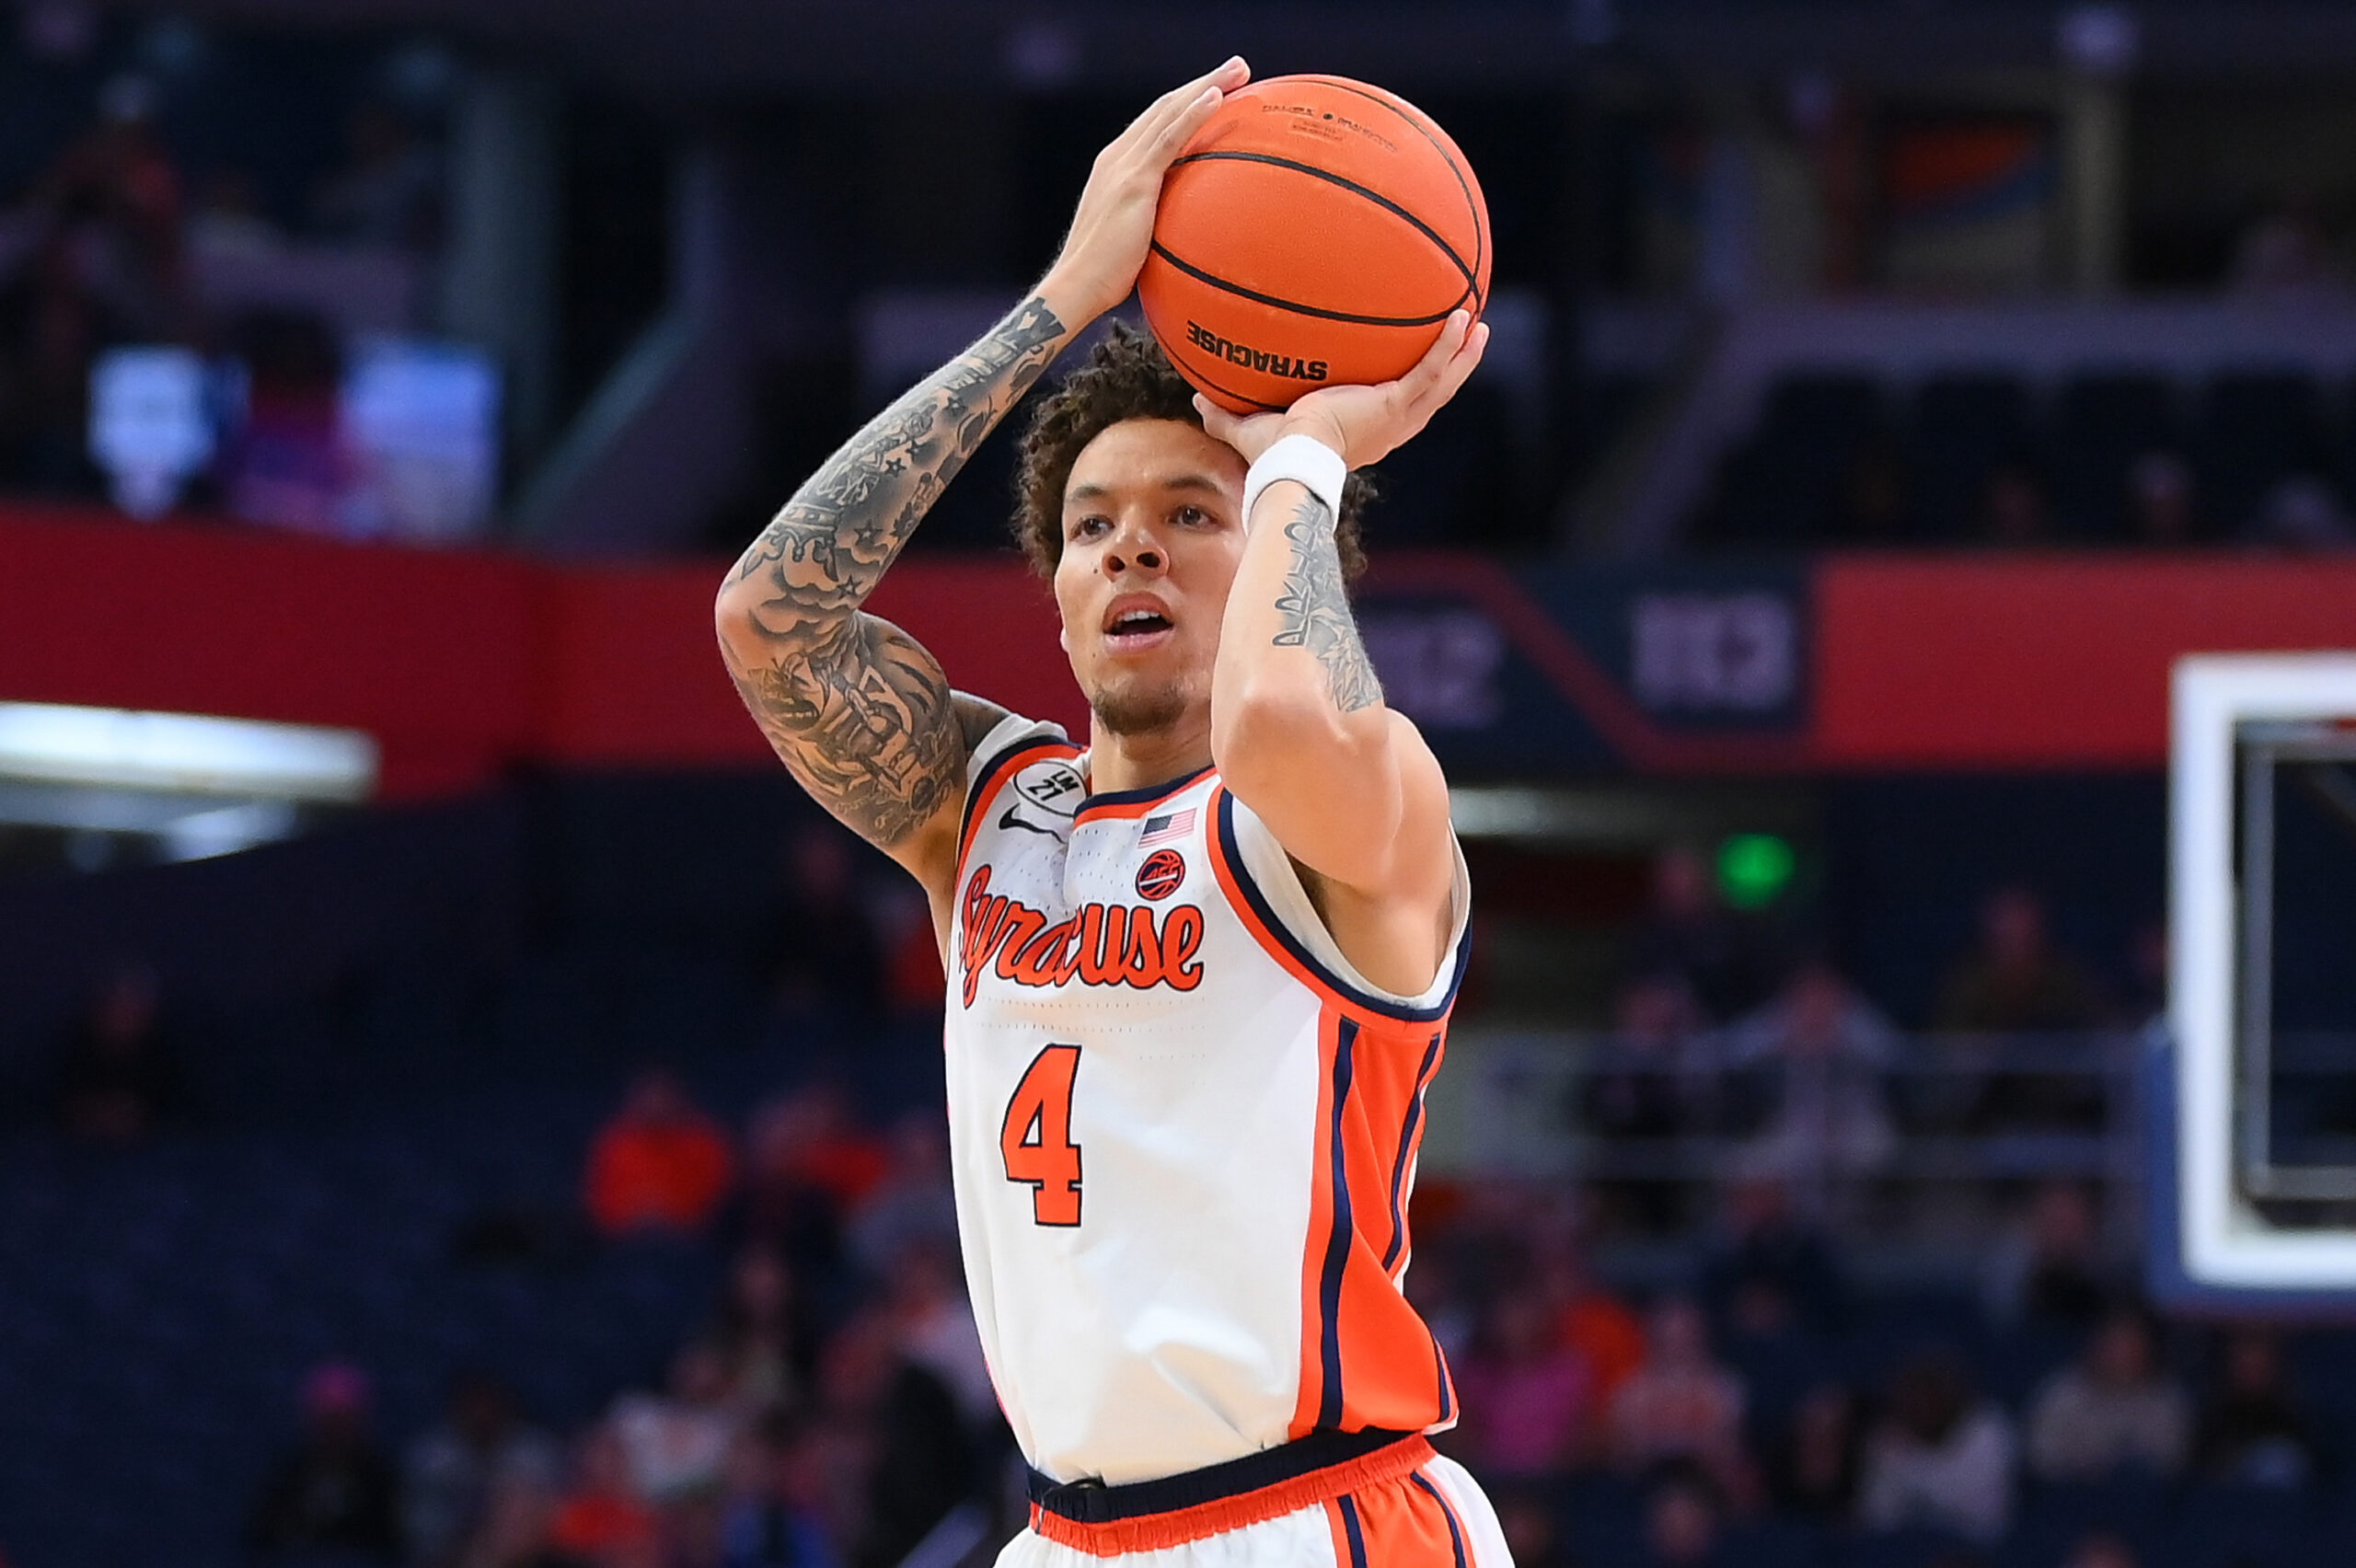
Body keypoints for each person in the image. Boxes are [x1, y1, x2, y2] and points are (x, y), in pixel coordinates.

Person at [711, 56, 1508, 1568]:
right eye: (1093, 527)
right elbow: (769, 614)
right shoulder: (984, 800)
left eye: (1187, 516)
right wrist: (1064, 302)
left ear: (1276, 546)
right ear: (1060, 597)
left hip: (1311, 1513)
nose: (1132, 548)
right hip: (1063, 1533)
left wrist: (1303, 457)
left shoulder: (1360, 801)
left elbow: (1275, 714)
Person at [403, 1372, 562, 1568]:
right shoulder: (432, 1457)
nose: (481, 1415)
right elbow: (420, 1526)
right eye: (473, 1408)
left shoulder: (534, 1452)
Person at [248, 1362, 405, 1561]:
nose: (335, 1429)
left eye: (344, 1419)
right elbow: (262, 1534)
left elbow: (390, 1540)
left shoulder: (381, 1479)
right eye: (328, 1419)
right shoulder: (288, 1475)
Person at [1856, 1352, 2014, 1543]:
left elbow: (1986, 1522)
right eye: (1913, 1393)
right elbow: (1881, 1522)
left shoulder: (1988, 1430)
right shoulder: (1889, 1443)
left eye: (1931, 1392)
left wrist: (1910, 1465)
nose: (1923, 1403)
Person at [2026, 1305, 2189, 1482]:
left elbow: (2174, 1467)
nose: (2122, 1354)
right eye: (2115, 1343)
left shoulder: (2167, 1402)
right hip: (2073, 1503)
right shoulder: (2062, 1395)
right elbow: (2040, 1461)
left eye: (2131, 1344)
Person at [583, 1069, 737, 1238]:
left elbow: (717, 1199)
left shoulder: (703, 1142)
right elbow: (599, 1201)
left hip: (693, 1241)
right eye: (648, 1095)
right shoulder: (614, 1144)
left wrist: (670, 1215)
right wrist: (634, 1215)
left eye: (661, 1095)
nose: (655, 1102)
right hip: (625, 1242)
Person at [2190, 1328, 2315, 1489]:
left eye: (2259, 1364)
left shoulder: (2296, 1422)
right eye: (2245, 1363)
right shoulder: (2212, 1422)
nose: (2251, 1371)